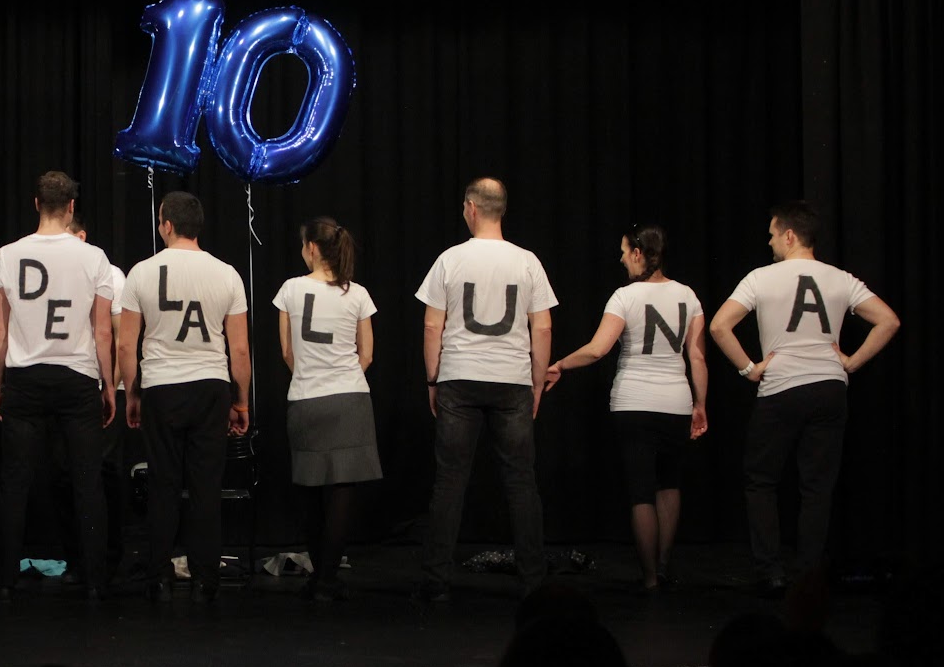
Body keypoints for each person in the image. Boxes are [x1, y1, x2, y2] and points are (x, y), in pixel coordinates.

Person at [708, 201, 900, 597]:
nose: (769, 241)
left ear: (790, 236)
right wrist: (851, 362)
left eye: (772, 234)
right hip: (829, 389)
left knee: (761, 480)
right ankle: (809, 574)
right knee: (817, 487)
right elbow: (889, 320)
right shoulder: (841, 279)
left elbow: (719, 325)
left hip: (781, 388)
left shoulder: (760, 278)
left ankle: (771, 571)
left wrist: (749, 369)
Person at [544, 225, 708, 591]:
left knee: (640, 491)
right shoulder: (688, 296)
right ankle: (663, 566)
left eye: (624, 252)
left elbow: (597, 349)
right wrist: (700, 404)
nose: (620, 259)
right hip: (676, 402)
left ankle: (649, 579)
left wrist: (560, 365)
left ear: (638, 253)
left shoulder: (624, 296)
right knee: (669, 484)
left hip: (634, 403)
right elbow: (697, 356)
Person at [414, 177, 556, 603]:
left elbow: (432, 325)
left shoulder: (449, 259)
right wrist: (537, 383)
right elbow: (542, 328)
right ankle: (533, 582)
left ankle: (436, 582)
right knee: (521, 482)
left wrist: (433, 379)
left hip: (459, 378)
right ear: (502, 210)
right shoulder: (528, 261)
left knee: (450, 481)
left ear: (472, 208)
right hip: (512, 381)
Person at [0, 171, 115, 602]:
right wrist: (108, 385)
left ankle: (5, 580)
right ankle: (94, 579)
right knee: (87, 481)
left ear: (36, 203)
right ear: (72, 207)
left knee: (14, 481)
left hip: (25, 377)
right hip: (77, 377)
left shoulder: (7, 255)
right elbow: (102, 332)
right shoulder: (93, 257)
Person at [118, 190, 250, 603]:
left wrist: (132, 394)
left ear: (167, 225)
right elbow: (240, 349)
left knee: (163, 484)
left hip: (160, 386)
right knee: (206, 485)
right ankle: (206, 578)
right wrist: (241, 400)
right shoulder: (227, 274)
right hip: (211, 386)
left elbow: (125, 344)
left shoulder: (141, 272)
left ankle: (158, 576)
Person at [273, 217, 381, 601]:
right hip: (349, 399)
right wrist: (342, 377)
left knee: (309, 491)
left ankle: (319, 575)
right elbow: (367, 354)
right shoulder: (358, 294)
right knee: (341, 492)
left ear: (313, 248)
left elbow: (287, 352)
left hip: (305, 398)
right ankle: (328, 579)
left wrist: (311, 376)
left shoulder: (290, 289)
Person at [56, 212, 132, 589]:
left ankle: (108, 560)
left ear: (82, 236)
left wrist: (110, 386)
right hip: (71, 387)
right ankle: (78, 560)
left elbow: (119, 337)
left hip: (105, 389)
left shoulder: (111, 274)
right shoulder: (56, 273)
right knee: (68, 474)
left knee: (105, 474)